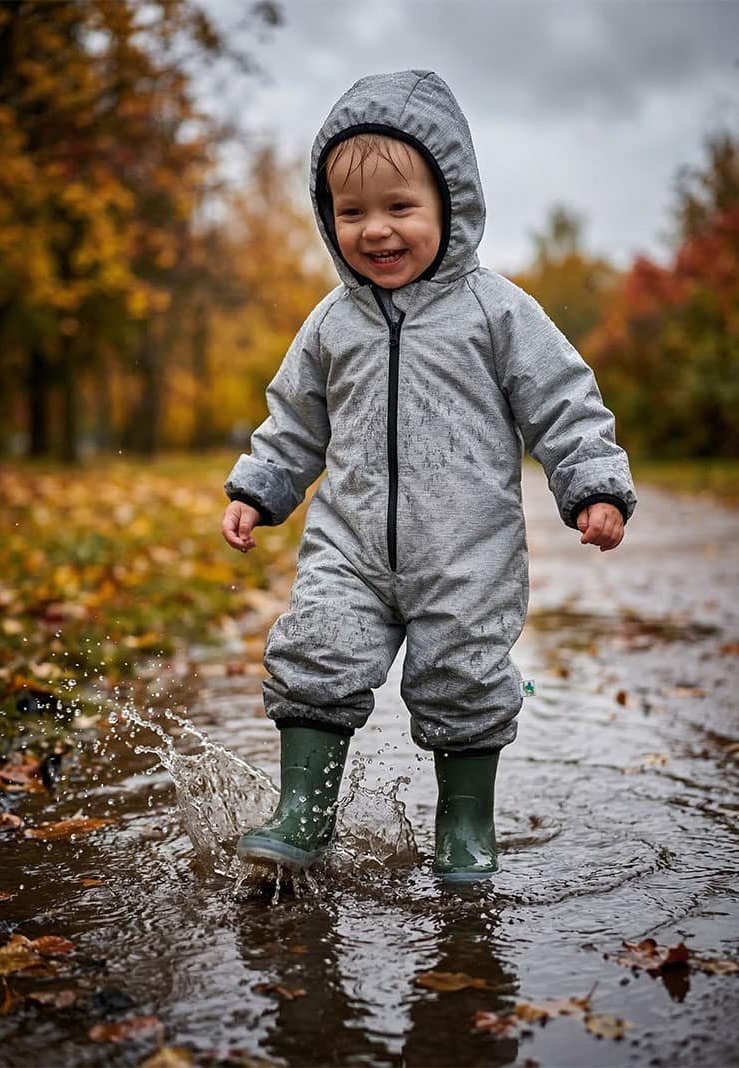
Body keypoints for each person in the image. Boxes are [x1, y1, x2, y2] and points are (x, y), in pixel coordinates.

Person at [222, 70, 636, 881]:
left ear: (451, 204)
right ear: (327, 218)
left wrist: (591, 485)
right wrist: (258, 487)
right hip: (350, 547)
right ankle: (302, 819)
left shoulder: (497, 311)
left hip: (466, 554)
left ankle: (464, 829)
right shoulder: (330, 322)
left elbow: (564, 401)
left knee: (464, 679)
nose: (375, 230)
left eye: (399, 208)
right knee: (315, 651)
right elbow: (295, 419)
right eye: (351, 213)